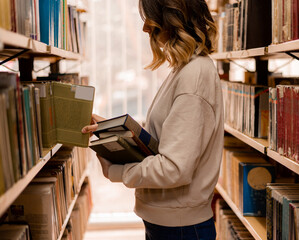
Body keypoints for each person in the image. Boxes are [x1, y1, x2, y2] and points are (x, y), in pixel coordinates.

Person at [82, 0, 224, 239]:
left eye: (151, 18)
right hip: (169, 223)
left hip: (181, 228)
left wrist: (116, 171)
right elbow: (163, 142)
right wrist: (110, 128)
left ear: (172, 18)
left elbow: (174, 168)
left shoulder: (194, 76)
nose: (145, 28)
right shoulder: (184, 69)